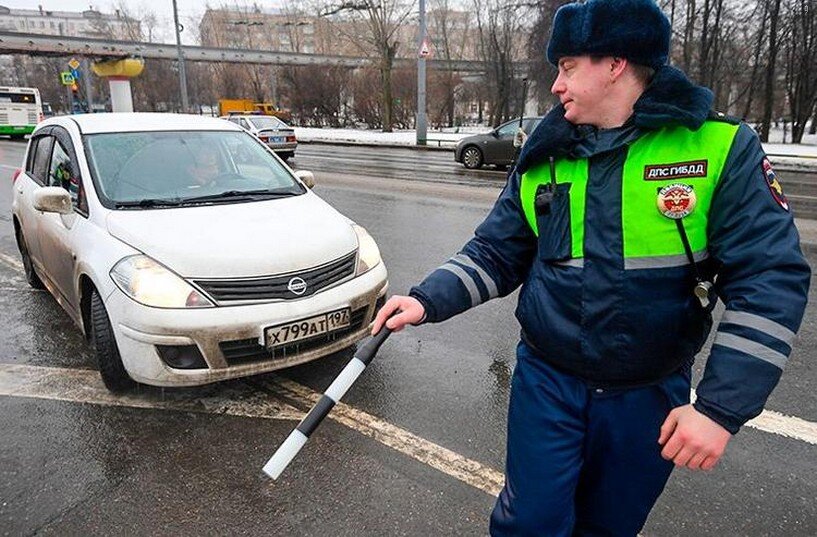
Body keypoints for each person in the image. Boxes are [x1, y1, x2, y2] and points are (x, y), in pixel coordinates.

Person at [372, 0, 810, 534]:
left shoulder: (720, 147)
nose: (556, 85)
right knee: (528, 523)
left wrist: (719, 409)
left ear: (615, 64)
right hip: (547, 381)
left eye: (567, 66)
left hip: (647, 393)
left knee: (609, 526)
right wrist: (426, 299)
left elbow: (768, 280)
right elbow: (497, 250)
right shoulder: (545, 152)